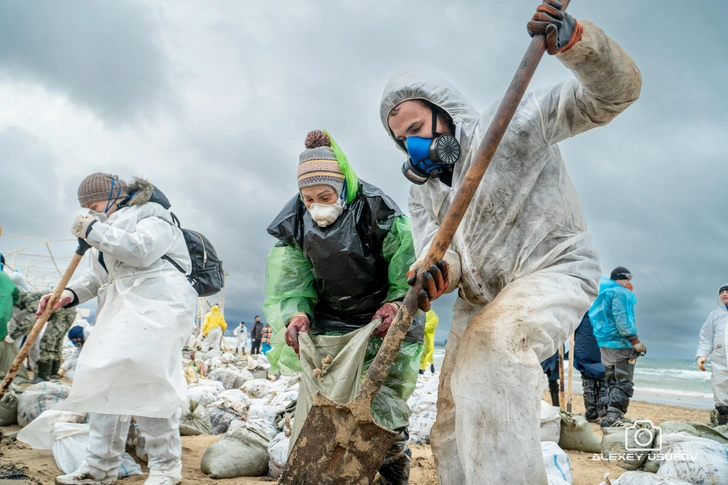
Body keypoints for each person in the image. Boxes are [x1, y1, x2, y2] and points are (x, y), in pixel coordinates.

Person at [379, 2, 641, 482]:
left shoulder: (515, 122)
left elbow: (615, 94)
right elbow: (444, 257)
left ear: (445, 112)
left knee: (496, 352)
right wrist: (437, 274)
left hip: (554, 269)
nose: (411, 145)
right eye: (401, 140)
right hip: (482, 300)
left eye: (416, 129)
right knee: (452, 421)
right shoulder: (424, 192)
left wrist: (577, 44)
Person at [264, 130, 424, 485]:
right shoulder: (295, 223)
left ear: (344, 186)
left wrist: (395, 304)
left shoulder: (375, 209)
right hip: (330, 321)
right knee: (328, 403)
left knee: (380, 405)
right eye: (308, 199)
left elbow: (406, 264)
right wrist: (298, 313)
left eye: (325, 196)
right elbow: (292, 279)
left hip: (380, 318)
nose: (316, 206)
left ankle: (395, 468)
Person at [36, 173, 198, 485]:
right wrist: (67, 295)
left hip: (158, 303)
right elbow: (99, 278)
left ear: (114, 196)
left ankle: (166, 468)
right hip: (121, 308)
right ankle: (100, 467)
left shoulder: (152, 214)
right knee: (103, 379)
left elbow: (141, 251)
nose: (92, 213)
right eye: (87, 209)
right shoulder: (104, 230)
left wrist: (94, 231)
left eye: (95, 205)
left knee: (148, 382)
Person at [588, 266, 645, 427]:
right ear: (622, 279)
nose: (629, 283)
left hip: (604, 343)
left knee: (610, 379)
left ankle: (606, 413)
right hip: (621, 343)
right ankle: (613, 417)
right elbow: (622, 319)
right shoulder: (620, 293)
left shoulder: (601, 293)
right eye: (627, 279)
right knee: (623, 381)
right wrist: (634, 340)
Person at [9, 291, 76, 382]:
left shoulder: (31, 299)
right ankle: (53, 373)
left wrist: (12, 336)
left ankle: (43, 376)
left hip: (63, 313)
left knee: (47, 341)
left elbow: (30, 321)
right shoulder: (33, 296)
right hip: (68, 312)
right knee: (56, 343)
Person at [696, 284, 728, 425]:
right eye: (722, 292)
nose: (724, 294)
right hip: (720, 358)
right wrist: (702, 356)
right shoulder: (715, 315)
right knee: (719, 388)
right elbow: (706, 337)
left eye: (727, 291)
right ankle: (723, 423)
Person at [573, 313, 607, 422]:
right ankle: (603, 413)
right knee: (604, 383)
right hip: (603, 350)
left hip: (585, 350)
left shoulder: (581, 310)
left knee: (588, 383)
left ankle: (591, 412)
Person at [420, 310, 439, 374]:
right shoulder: (420, 313)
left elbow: (433, 323)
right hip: (421, 338)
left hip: (425, 338)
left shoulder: (429, 313)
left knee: (425, 353)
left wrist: (421, 328)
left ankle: (426, 371)